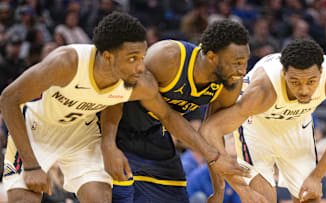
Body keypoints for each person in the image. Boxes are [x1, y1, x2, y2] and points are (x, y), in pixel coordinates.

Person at [0, 12, 239, 203]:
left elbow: (166, 115)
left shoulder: (139, 82)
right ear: (108, 57)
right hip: (37, 130)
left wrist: (213, 155)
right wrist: (31, 164)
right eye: (133, 58)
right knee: (23, 199)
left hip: (82, 133)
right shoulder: (67, 62)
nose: (141, 66)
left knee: (101, 197)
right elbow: (8, 99)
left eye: (142, 56)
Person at [113, 20, 265, 203]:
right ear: (211, 57)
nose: (242, 71)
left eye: (245, 62)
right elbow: (117, 98)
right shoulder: (166, 58)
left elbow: (211, 136)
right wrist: (106, 141)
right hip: (118, 130)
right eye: (236, 63)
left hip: (156, 137)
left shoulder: (229, 84)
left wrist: (219, 190)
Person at [200, 39, 326, 203]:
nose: (304, 90)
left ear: (321, 72)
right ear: (284, 73)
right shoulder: (262, 92)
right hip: (256, 126)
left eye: (311, 82)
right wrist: (240, 189)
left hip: (296, 124)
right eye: (295, 82)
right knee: (262, 200)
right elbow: (209, 130)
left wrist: (317, 175)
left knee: (309, 196)